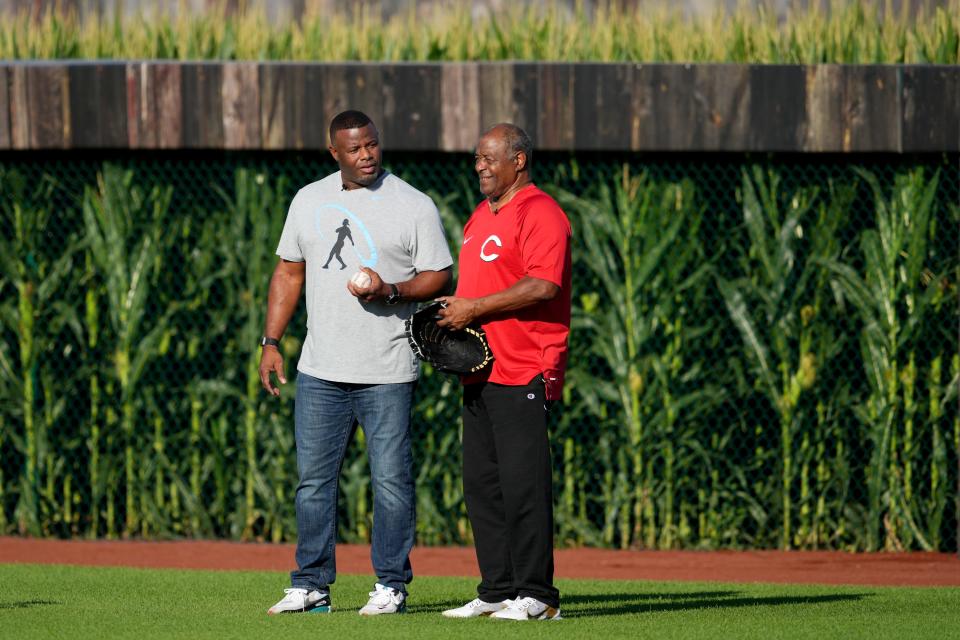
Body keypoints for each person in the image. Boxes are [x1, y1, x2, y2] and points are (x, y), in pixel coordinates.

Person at [259, 110, 453, 616]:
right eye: (354, 149)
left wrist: (393, 290)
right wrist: (271, 340)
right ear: (334, 153)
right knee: (313, 484)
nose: (366, 155)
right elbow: (288, 272)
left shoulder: (413, 204)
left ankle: (391, 585)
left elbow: (439, 275)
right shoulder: (309, 199)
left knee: (390, 483)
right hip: (321, 371)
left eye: (371, 144)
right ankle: (311, 585)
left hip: (387, 371)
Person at [437, 123, 572, 621]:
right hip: (480, 371)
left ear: (519, 160)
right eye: (477, 158)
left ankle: (538, 596)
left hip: (524, 366)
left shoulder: (541, 212)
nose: (480, 166)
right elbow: (477, 288)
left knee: (524, 485)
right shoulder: (478, 217)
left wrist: (473, 309)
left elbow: (543, 286)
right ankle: (497, 590)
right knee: (483, 485)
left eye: (491, 158)